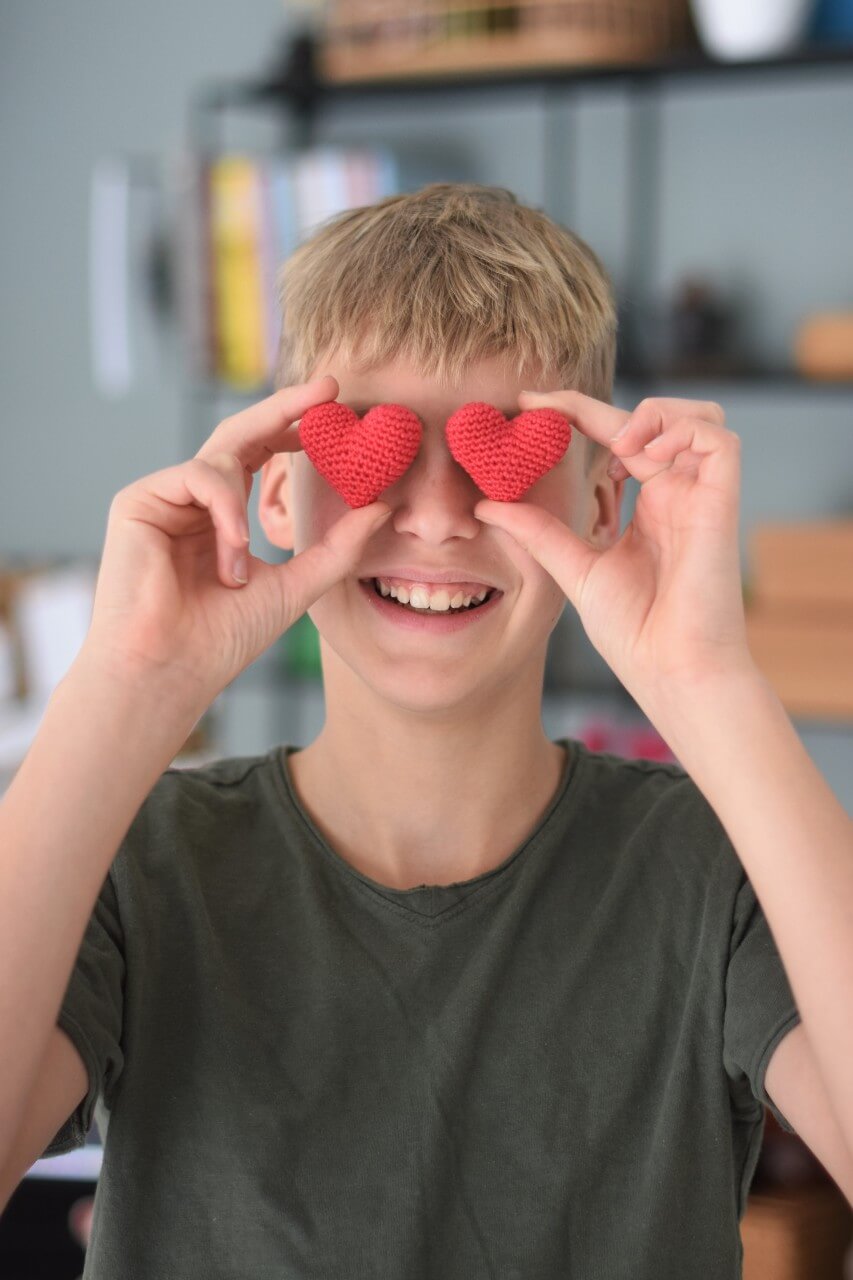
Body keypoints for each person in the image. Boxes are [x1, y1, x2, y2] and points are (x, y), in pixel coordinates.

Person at [1, 183, 851, 1278]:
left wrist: (707, 677)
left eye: (499, 448)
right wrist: (124, 684)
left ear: (601, 506)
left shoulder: (714, 866)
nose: (441, 513)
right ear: (273, 494)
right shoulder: (138, 860)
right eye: (375, 441)